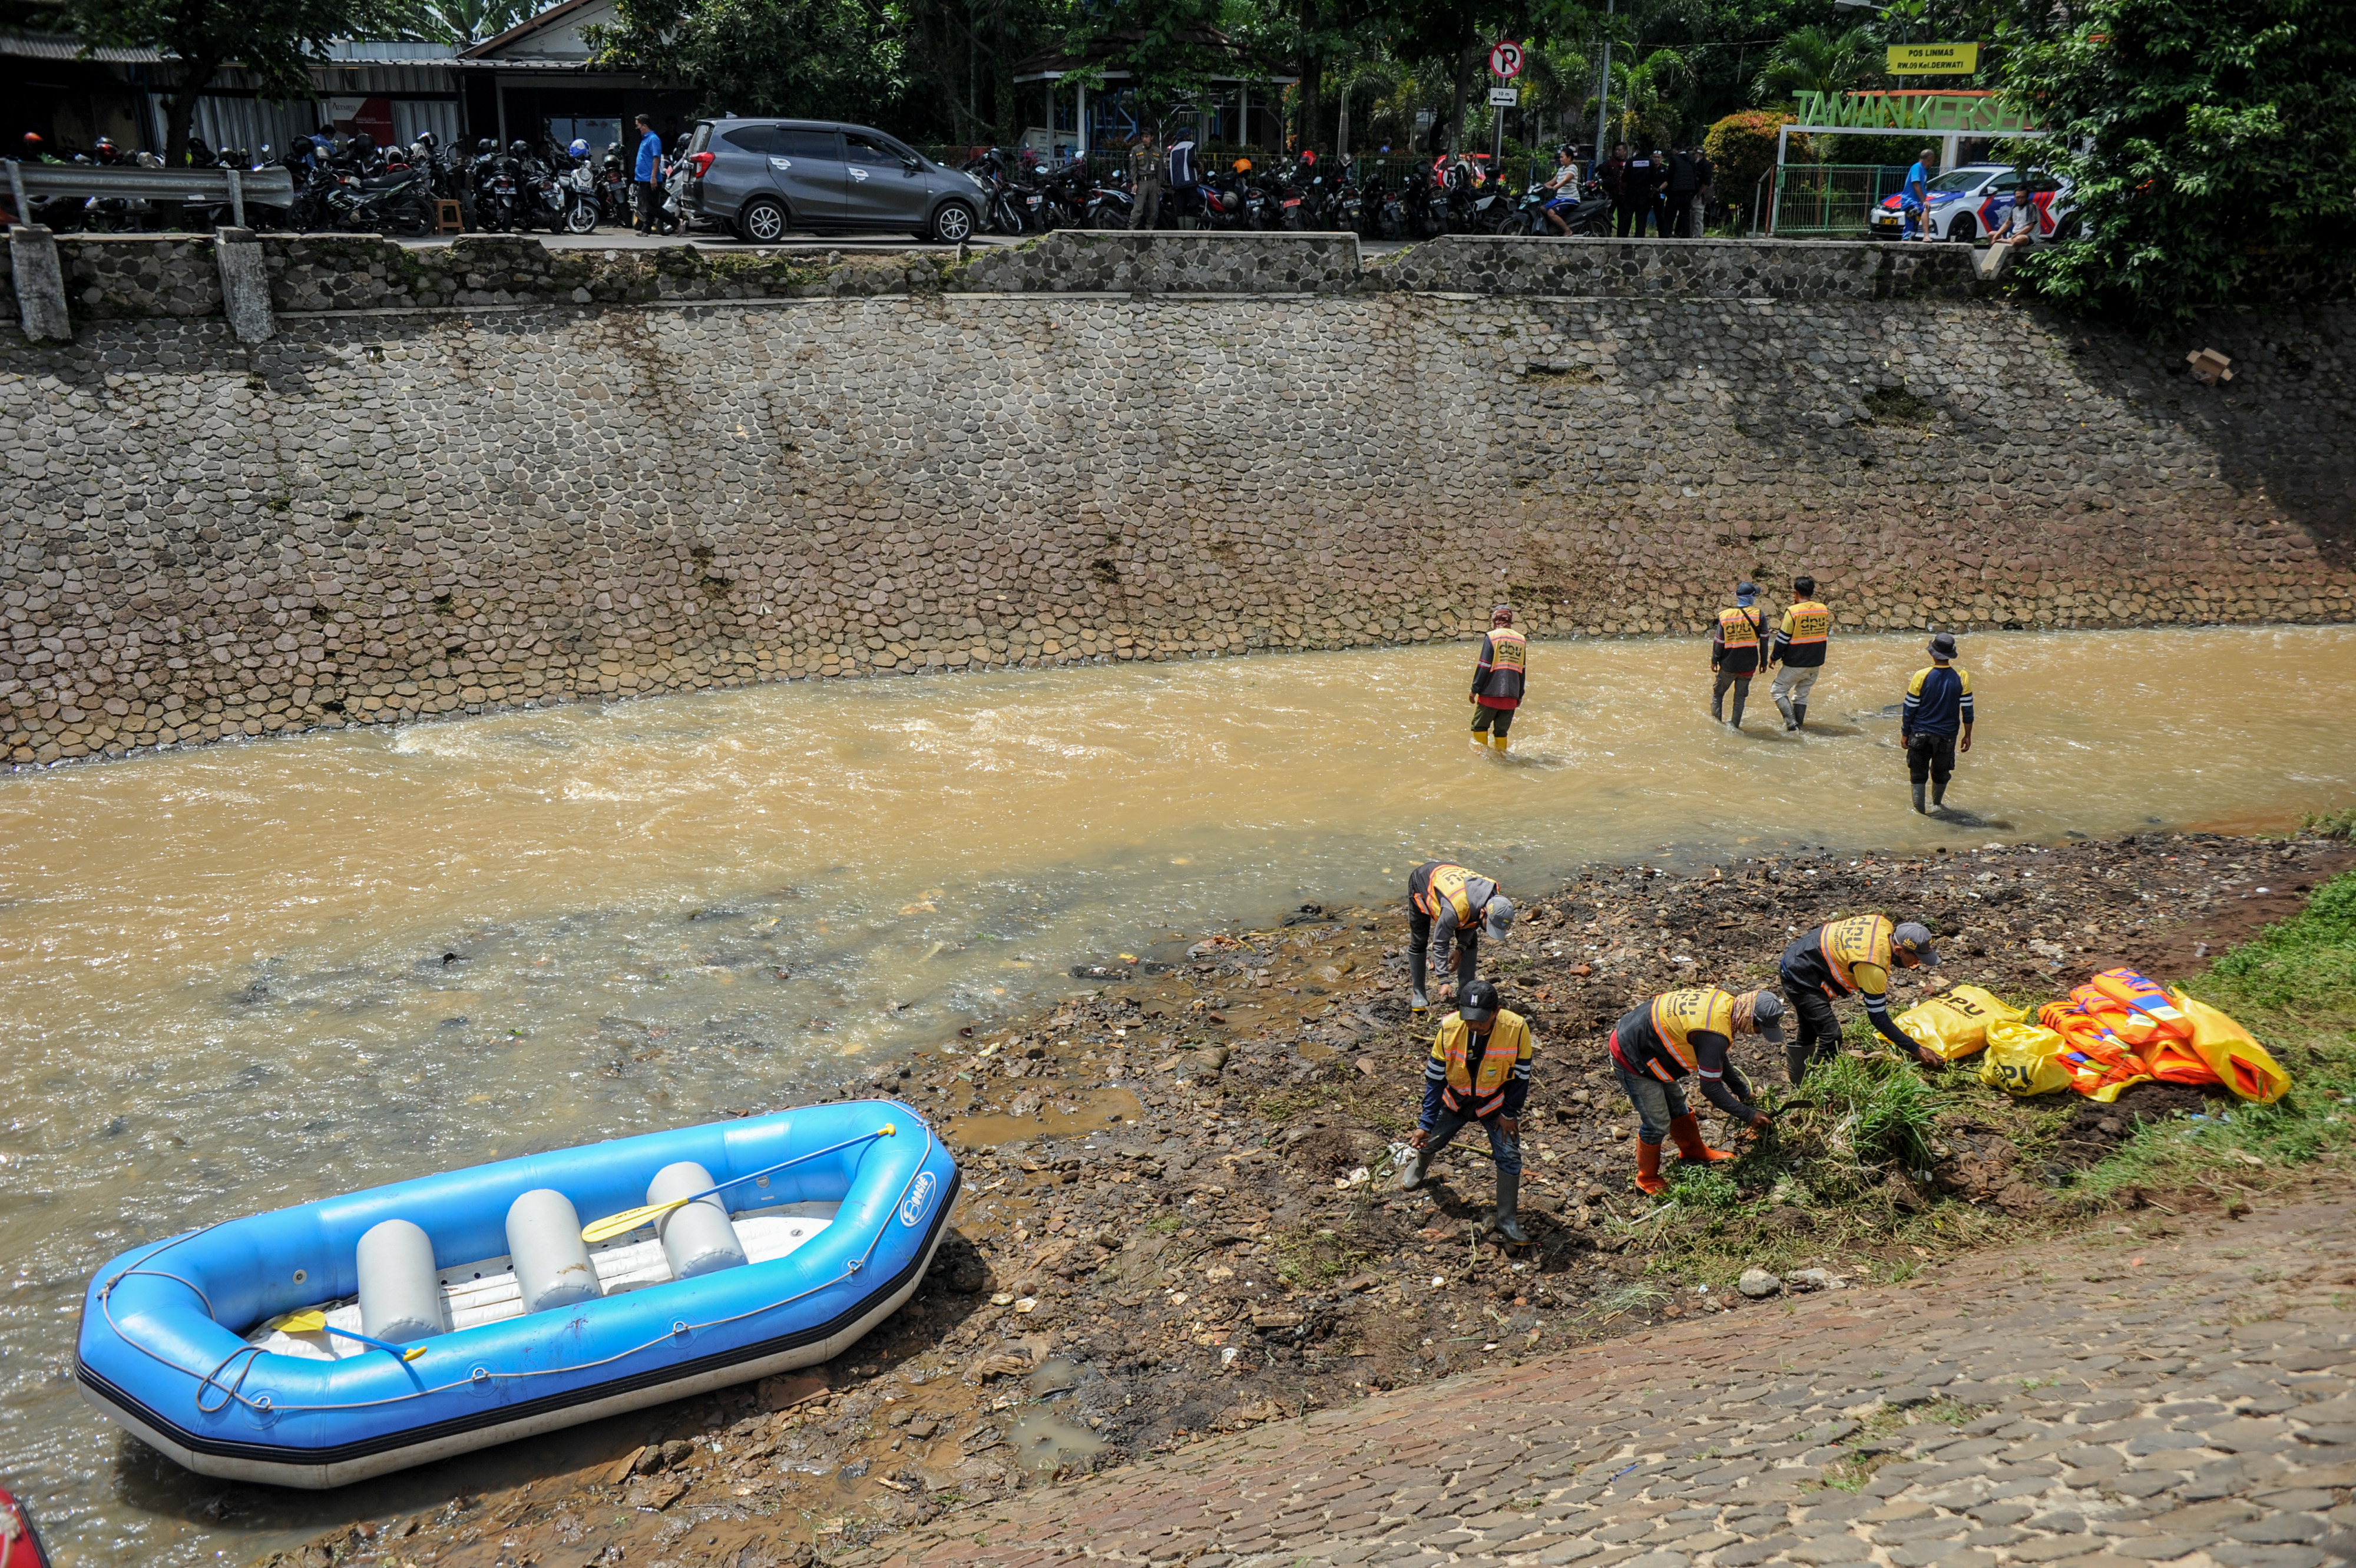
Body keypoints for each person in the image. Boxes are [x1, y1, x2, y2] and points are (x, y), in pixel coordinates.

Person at [1396, 980, 1535, 1242]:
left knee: (1510, 1155)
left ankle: (1507, 1219)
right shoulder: (1449, 1028)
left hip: (1494, 1103)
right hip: (1456, 1099)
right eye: (1469, 1019)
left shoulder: (1517, 1029)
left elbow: (1521, 1077)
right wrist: (1425, 1122)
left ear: (1497, 1011)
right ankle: (1420, 1165)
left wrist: (1509, 1114)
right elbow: (1435, 1079)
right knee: (1431, 1138)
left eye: (1481, 1020)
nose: (1474, 1025)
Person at [1609, 985, 1780, 1195]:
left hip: (1648, 1038)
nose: (1757, 1033)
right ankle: (1646, 1179)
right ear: (1748, 1017)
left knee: (1677, 1106)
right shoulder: (1713, 1033)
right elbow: (1710, 1088)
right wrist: (1749, 1115)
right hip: (1632, 1055)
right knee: (1657, 1123)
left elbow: (1716, 1055)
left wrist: (1743, 1091)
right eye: (1759, 1028)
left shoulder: (1724, 1004)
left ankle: (1694, 1152)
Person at [1779, 915, 1944, 1081]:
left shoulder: (1882, 923)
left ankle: (1798, 1082)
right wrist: (1917, 1049)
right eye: (1916, 957)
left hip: (1805, 951)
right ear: (1899, 950)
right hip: (1799, 974)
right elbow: (1878, 1018)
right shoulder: (1873, 965)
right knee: (1831, 1036)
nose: (1917, 963)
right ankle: (1813, 1086)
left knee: (1810, 1029)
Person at [1405, 861, 1514, 1014]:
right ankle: (1418, 992)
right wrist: (1444, 981)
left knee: (1471, 940)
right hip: (1424, 881)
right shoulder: (1454, 909)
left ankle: (1466, 990)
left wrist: (1461, 948)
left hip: (1456, 879)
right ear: (1484, 912)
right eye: (1489, 924)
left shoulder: (1494, 898)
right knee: (1419, 940)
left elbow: (1474, 923)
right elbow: (1440, 942)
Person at [1901, 631, 1974, 815]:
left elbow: (1910, 708)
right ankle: (1938, 806)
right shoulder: (1962, 676)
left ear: (1932, 654)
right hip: (1947, 736)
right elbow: (1967, 709)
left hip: (1919, 734)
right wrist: (1968, 735)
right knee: (1941, 773)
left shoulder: (1921, 676)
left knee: (1918, 774)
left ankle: (1921, 813)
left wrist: (1905, 733)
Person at [1768, 574, 1831, 732]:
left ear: (1795, 592)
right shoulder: (1822, 610)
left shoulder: (1793, 612)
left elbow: (1783, 639)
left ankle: (1792, 725)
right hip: (1816, 662)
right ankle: (1800, 727)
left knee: (1778, 690)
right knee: (1801, 695)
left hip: (1797, 662)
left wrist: (1774, 657)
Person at [1468, 603, 1527, 752]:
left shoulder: (1492, 637)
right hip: (1511, 696)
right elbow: (1522, 669)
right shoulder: (1521, 639)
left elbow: (1484, 665)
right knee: (1501, 732)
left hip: (1490, 693)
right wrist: (1519, 695)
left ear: (1495, 619)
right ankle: (1502, 758)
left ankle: (1482, 760)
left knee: (1479, 726)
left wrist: (1475, 689)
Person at [1709, 580, 1766, 730]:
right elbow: (1765, 641)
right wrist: (1764, 662)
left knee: (1718, 695)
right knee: (1740, 699)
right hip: (1749, 666)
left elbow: (1719, 641)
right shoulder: (1759, 615)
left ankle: (1717, 729)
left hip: (1728, 664)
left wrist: (1714, 660)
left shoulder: (1725, 615)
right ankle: (1735, 728)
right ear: (1751, 597)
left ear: (1738, 596)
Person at [632, 113, 663, 236]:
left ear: (644, 126)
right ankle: (646, 230)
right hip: (643, 178)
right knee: (648, 206)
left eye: (638, 125)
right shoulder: (645, 139)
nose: (637, 128)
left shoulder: (653, 139)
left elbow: (656, 158)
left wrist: (653, 177)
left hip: (650, 178)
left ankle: (677, 222)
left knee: (652, 207)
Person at [1541, 145, 1581, 235]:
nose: (1561, 159)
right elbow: (1553, 181)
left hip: (1570, 199)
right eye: (1560, 157)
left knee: (1551, 213)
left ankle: (1567, 230)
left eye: (1563, 157)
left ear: (1569, 158)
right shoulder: (1561, 169)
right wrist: (1542, 186)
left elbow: (1566, 180)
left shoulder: (1573, 168)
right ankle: (1555, 226)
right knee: (1543, 209)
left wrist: (1554, 188)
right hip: (1560, 198)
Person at [1128, 128, 1162, 231]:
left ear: (1151, 138)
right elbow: (1133, 167)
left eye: (1147, 137)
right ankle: (1132, 226)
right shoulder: (1136, 150)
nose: (1144, 139)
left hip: (1153, 181)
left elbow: (1160, 169)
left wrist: (1159, 184)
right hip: (1142, 181)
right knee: (1138, 207)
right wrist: (1134, 182)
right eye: (1143, 137)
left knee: (1154, 208)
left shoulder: (1157, 151)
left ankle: (1150, 227)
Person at [1663, 145, 1699, 237]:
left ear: (1675, 150)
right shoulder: (1691, 160)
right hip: (1688, 192)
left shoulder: (1674, 159)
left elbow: (1669, 176)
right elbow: (1694, 175)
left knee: (1670, 214)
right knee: (1685, 215)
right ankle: (1685, 235)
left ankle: (1667, 234)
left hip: (1675, 191)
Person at [1900, 147, 1933, 240]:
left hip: (1915, 202)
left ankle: (1906, 238)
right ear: (1930, 159)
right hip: (1910, 202)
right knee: (1925, 208)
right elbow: (1916, 184)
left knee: (1912, 230)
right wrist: (1924, 201)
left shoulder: (1923, 170)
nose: (1932, 163)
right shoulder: (1917, 167)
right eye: (1932, 160)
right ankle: (1926, 236)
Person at [1688, 144, 1715, 237]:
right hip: (1693, 193)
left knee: (1698, 216)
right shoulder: (1694, 164)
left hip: (1700, 195)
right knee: (1691, 217)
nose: (1693, 156)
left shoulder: (1706, 165)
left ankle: (1698, 237)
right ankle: (1690, 236)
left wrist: (1699, 194)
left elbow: (1706, 182)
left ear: (1700, 155)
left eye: (1695, 154)